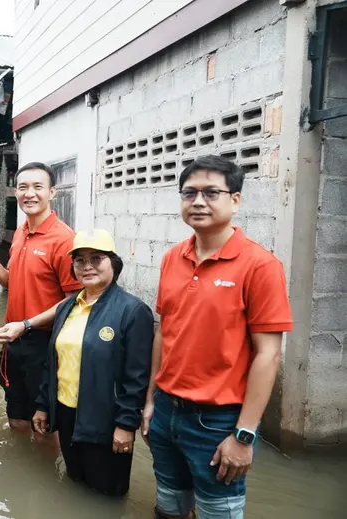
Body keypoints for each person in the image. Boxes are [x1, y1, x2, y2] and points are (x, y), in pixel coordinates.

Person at [141, 156, 293, 519]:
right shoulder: (171, 258)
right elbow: (165, 333)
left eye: (211, 193)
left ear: (235, 200)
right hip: (166, 411)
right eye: (189, 193)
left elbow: (268, 356)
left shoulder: (260, 266)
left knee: (218, 512)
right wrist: (150, 403)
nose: (198, 202)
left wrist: (244, 435)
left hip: (218, 421)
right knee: (169, 507)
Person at [32, 229, 154, 497]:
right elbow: (53, 364)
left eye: (96, 259)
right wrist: (43, 406)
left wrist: (125, 425)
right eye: (80, 260)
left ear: (114, 263)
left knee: (106, 494)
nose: (87, 266)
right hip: (66, 414)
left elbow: (137, 378)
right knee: (75, 481)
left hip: (105, 419)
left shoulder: (132, 311)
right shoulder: (66, 308)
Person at [0, 162, 83, 431]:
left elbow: (74, 300)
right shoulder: (20, 232)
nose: (29, 194)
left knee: (44, 425)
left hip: (45, 344)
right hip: (13, 339)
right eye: (23, 187)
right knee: (16, 417)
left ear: (52, 192)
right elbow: (13, 283)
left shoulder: (64, 240)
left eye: (37, 187)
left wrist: (27, 324)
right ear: (15, 193)